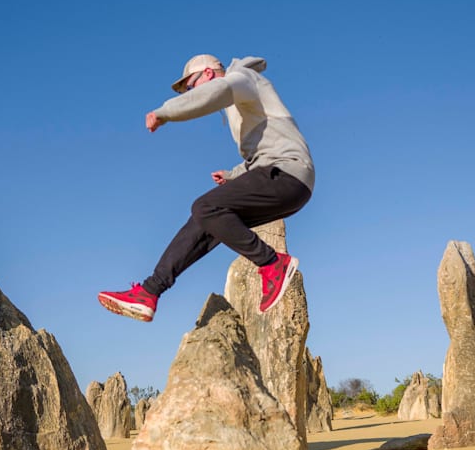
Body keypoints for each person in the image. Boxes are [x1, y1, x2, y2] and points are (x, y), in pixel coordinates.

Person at [98, 53, 315, 322]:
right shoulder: (242, 107)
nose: (191, 92)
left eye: (191, 86)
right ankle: (150, 291)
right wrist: (233, 174)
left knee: (205, 206)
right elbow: (263, 152)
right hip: (286, 180)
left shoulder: (243, 78)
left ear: (208, 74)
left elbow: (218, 91)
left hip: (287, 174)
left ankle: (272, 264)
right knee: (205, 222)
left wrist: (165, 112)